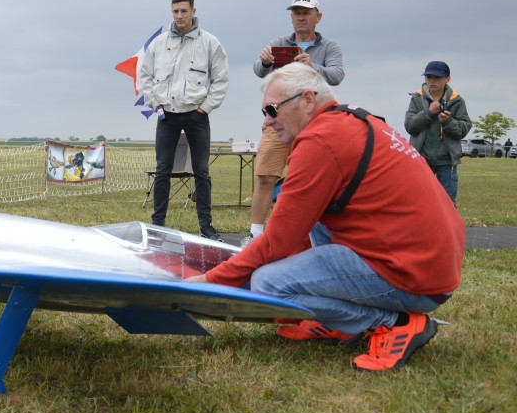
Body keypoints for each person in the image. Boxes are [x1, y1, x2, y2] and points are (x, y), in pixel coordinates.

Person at [186, 63, 463, 372]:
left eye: (272, 110)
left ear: (307, 100)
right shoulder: (348, 121)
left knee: (268, 285)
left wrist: (211, 280)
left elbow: (277, 242)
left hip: (416, 277)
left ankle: (393, 322)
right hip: (430, 264)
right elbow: (298, 230)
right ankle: (339, 322)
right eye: (264, 112)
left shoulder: (320, 140)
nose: (267, 121)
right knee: (299, 238)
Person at [242, 0, 344, 246]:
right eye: (296, 13)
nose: (301, 17)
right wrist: (265, 61)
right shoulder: (278, 43)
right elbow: (258, 71)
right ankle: (255, 234)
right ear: (291, 18)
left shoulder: (330, 47)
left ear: (318, 17)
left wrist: (312, 65)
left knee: (315, 180)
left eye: (306, 13)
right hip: (279, 119)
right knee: (266, 175)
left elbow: (337, 75)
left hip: (314, 122)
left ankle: (312, 237)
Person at [138, 0, 229, 239]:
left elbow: (221, 78)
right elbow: (145, 76)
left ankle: (206, 227)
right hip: (167, 114)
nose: (179, 16)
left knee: (201, 171)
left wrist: (205, 108)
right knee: (162, 170)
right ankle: (157, 225)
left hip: (196, 114)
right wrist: (155, 103)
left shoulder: (209, 43)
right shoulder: (159, 44)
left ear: (193, 11)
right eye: (175, 11)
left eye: (184, 11)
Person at [404, 61, 471, 206]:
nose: (432, 81)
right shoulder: (417, 98)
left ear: (448, 79)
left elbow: (463, 129)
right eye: (429, 77)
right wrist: (428, 112)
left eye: (437, 77)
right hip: (421, 161)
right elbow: (410, 126)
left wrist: (447, 122)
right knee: (419, 202)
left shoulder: (457, 101)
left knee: (448, 204)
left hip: (447, 162)